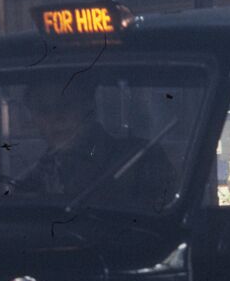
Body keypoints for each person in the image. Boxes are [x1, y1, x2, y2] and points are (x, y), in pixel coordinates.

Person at [10, 79, 173, 208]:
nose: (56, 118)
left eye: (66, 105)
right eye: (44, 110)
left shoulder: (142, 160)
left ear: (88, 106)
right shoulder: (30, 183)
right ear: (34, 118)